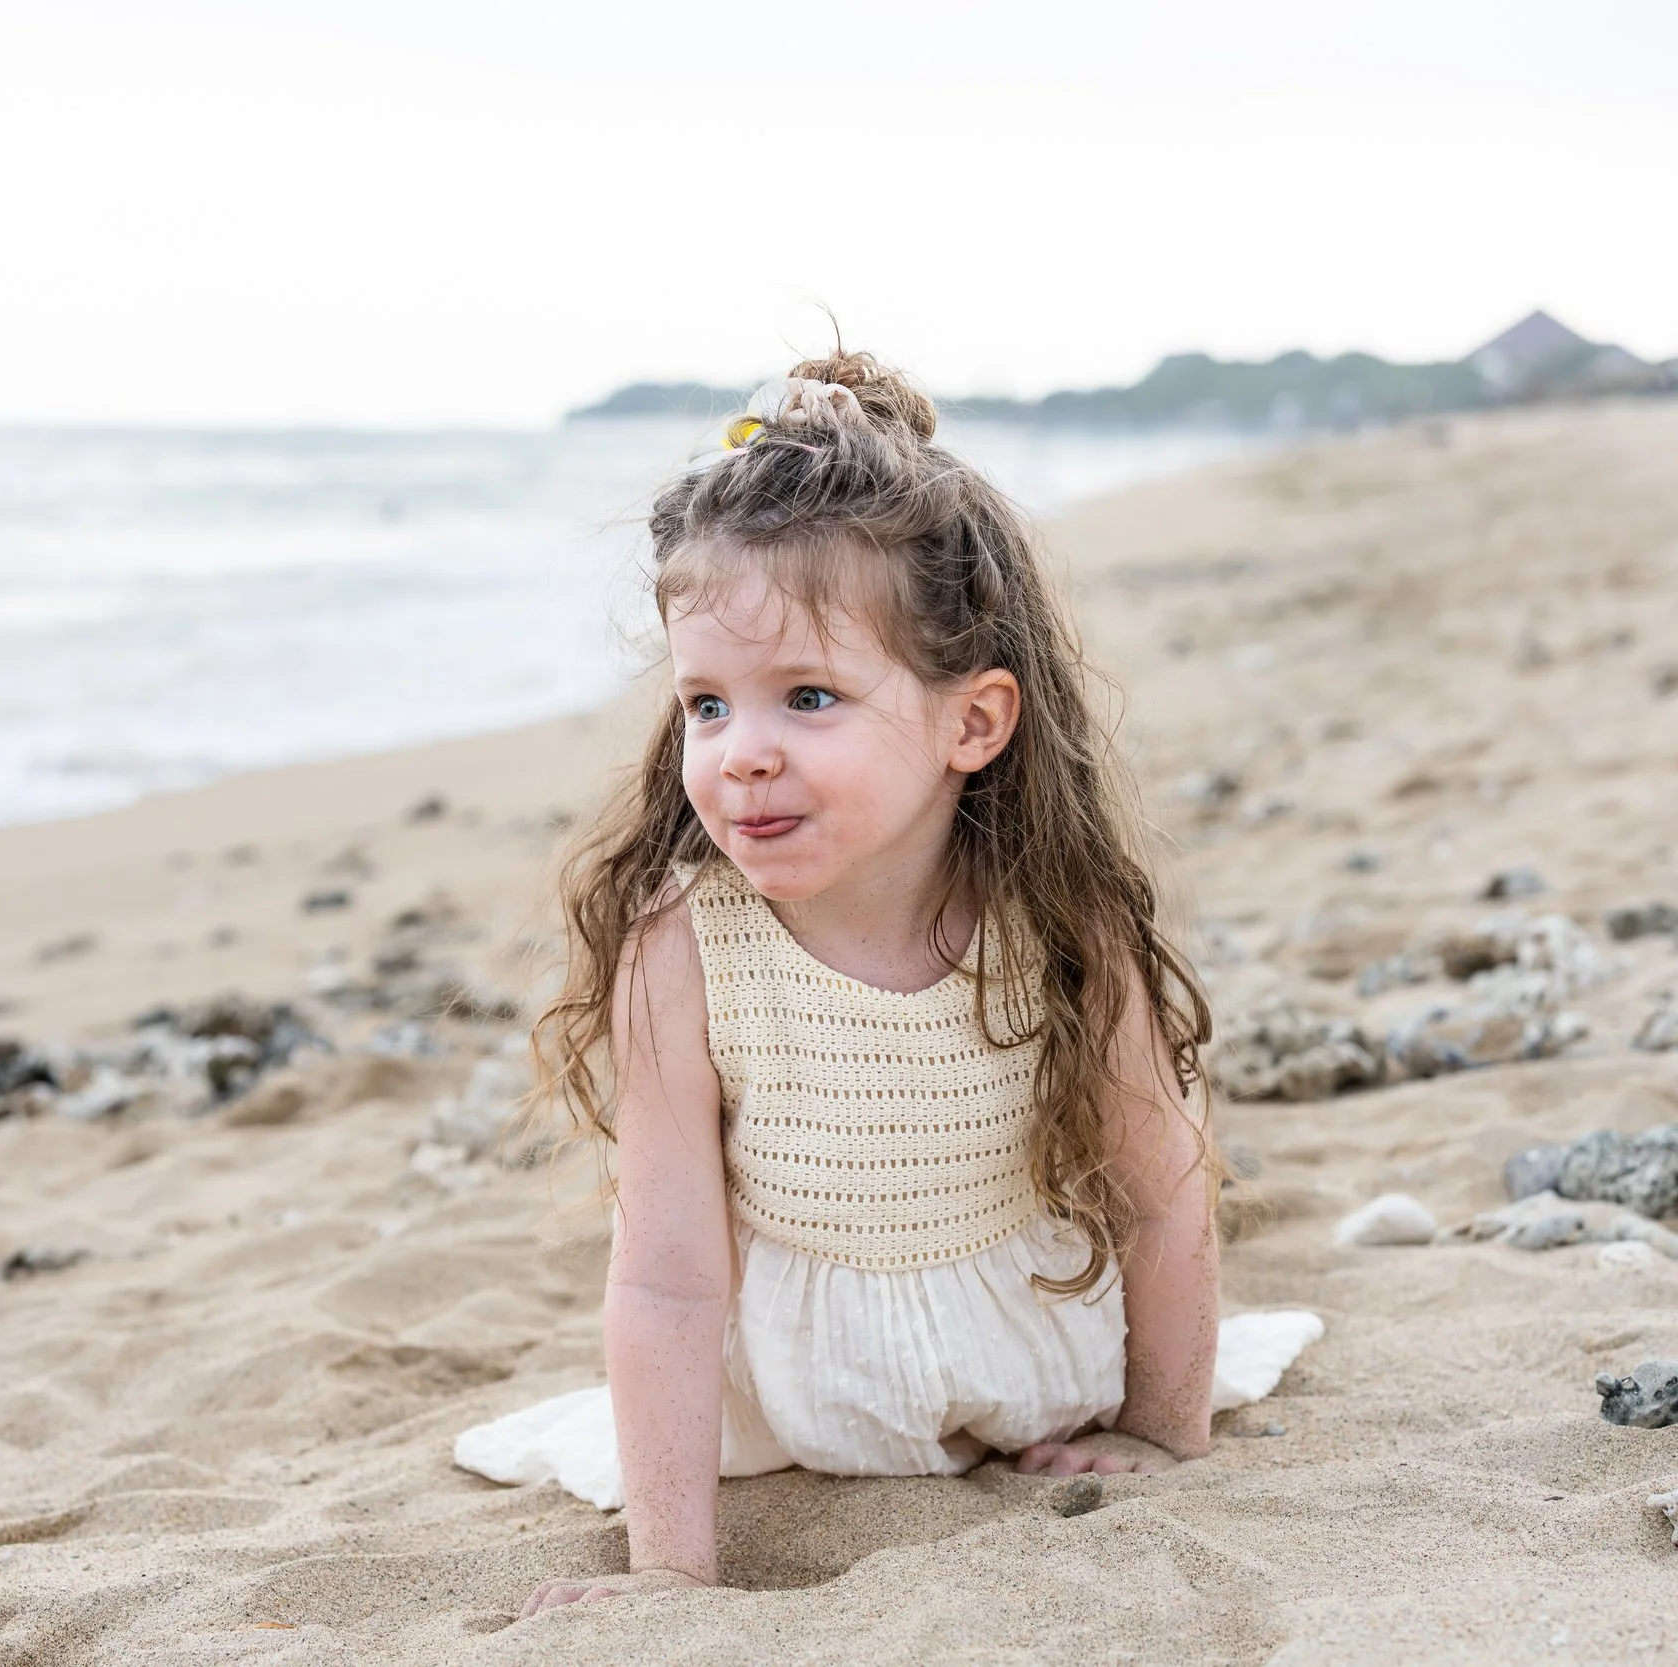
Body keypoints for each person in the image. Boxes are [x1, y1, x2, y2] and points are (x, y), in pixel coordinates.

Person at [482, 353, 1224, 1619]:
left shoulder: (1056, 924)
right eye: (706, 703)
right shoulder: (684, 949)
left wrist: (1161, 1432)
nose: (740, 754)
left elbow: (1163, 1198)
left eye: (808, 696)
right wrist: (670, 1569)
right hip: (798, 1398)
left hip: (1033, 1370)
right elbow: (663, 1272)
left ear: (971, 723)